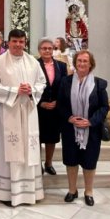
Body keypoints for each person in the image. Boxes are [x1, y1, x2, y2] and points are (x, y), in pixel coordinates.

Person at [0, 29, 46, 206]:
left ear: (25, 42)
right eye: (14, 41)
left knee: (28, 149)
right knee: (8, 149)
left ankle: (28, 193)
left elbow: (41, 83)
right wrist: (14, 91)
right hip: (8, 111)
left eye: (21, 42)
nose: (18, 45)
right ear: (8, 42)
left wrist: (32, 91)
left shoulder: (33, 62)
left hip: (28, 111)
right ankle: (6, 193)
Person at [57, 50, 109, 206]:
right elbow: (60, 104)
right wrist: (69, 117)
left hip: (91, 130)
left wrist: (90, 121)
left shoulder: (99, 84)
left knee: (89, 162)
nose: (82, 63)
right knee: (71, 161)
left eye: (85, 61)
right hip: (70, 129)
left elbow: (104, 107)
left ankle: (88, 191)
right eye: (79, 60)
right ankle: (72, 190)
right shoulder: (65, 82)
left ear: (91, 64)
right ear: (75, 63)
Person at [36, 38, 67, 176]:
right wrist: (40, 102)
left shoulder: (61, 66)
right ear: (39, 50)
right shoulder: (34, 65)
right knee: (37, 137)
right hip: (38, 108)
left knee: (52, 138)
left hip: (55, 108)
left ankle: (48, 163)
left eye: (50, 48)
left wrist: (58, 102)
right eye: (44, 48)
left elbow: (65, 87)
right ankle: (38, 163)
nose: (47, 51)